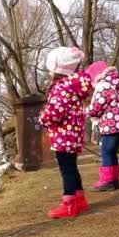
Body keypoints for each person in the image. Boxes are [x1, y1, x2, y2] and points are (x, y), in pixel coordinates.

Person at [39, 47, 94, 218]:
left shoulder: (62, 88)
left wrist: (43, 118)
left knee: (67, 170)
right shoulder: (73, 87)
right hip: (72, 135)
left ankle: (69, 205)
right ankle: (80, 200)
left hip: (64, 136)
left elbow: (55, 113)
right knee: (72, 168)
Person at [85, 61, 119, 191]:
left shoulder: (103, 86)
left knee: (106, 152)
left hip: (111, 125)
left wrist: (85, 112)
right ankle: (114, 180)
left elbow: (97, 107)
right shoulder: (114, 86)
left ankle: (107, 181)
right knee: (111, 153)